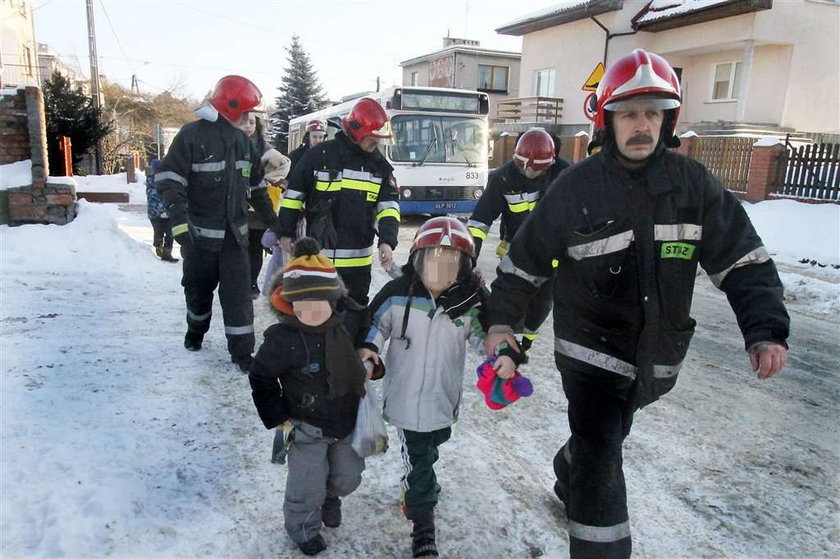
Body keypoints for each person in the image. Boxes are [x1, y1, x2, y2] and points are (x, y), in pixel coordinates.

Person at [483, 49, 790, 559]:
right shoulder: (575, 188)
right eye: (629, 113)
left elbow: (743, 262)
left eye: (652, 112)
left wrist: (765, 329)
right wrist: (501, 326)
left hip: (658, 355)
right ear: (608, 120)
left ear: (668, 119)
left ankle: (570, 468)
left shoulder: (694, 187)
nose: (641, 124)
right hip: (590, 356)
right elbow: (525, 264)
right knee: (603, 465)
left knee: (600, 443)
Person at [358, 217, 521, 558]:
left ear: (464, 267)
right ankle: (423, 527)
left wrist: (501, 357)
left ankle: (424, 482)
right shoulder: (398, 295)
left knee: (433, 446)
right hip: (405, 398)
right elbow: (374, 324)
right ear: (417, 259)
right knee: (418, 462)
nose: (439, 269)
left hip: (443, 399)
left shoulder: (468, 303)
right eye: (431, 259)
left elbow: (484, 337)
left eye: (450, 262)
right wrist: (369, 351)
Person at [249, 237, 368, 556]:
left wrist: (372, 360)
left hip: (345, 423)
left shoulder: (347, 324)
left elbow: (368, 340)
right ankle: (302, 528)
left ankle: (331, 497)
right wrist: (278, 417)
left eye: (319, 303)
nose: (311, 312)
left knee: (348, 478)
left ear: (333, 301)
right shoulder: (282, 338)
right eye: (302, 305)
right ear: (289, 303)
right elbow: (260, 375)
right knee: (306, 486)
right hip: (305, 427)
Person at [156, 75, 282, 372]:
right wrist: (179, 223)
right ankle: (195, 331)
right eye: (247, 113)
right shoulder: (191, 136)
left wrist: (275, 224)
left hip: (234, 241)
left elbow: (258, 189)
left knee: (238, 298)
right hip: (198, 240)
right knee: (198, 293)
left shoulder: (244, 144)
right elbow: (169, 180)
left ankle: (242, 354)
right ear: (232, 106)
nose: (249, 119)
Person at [277, 97, 400, 305]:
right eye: (371, 139)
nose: (375, 145)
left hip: (358, 264)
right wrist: (285, 232)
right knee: (316, 313)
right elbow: (293, 196)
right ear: (356, 131)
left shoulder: (380, 167)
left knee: (354, 317)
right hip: (319, 258)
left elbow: (389, 208)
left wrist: (387, 241)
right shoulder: (319, 156)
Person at [467, 128, 569, 354]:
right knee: (511, 301)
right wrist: (469, 257)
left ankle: (525, 342)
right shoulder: (503, 178)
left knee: (541, 304)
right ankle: (508, 346)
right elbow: (480, 221)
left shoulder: (565, 175)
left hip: (549, 255)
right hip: (515, 252)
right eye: (524, 166)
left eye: (536, 168)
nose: (529, 171)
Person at [237, 112, 291, 298]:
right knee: (237, 247)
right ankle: (238, 281)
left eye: (252, 122)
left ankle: (251, 282)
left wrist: (270, 178)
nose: (248, 126)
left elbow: (284, 165)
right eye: (244, 122)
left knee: (254, 247)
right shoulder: (228, 145)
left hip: (259, 207)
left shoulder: (264, 149)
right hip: (236, 208)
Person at [145, 159, 178, 262]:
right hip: (156, 213)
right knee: (159, 231)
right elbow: (153, 198)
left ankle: (167, 254)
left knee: (170, 233)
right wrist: (161, 212)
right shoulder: (151, 181)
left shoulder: (168, 179)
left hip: (168, 212)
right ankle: (158, 245)